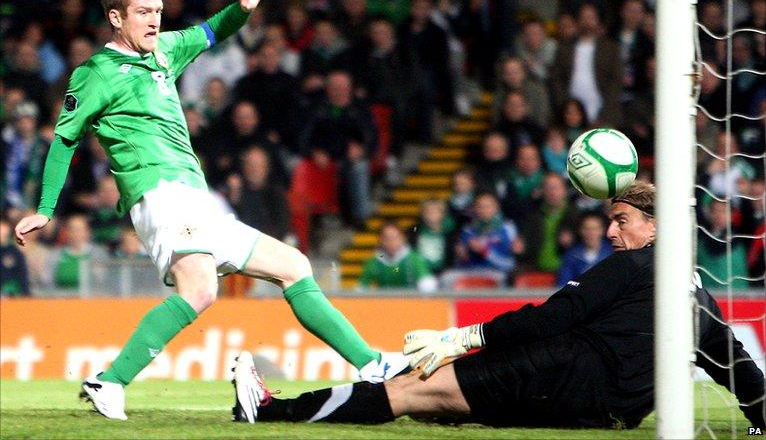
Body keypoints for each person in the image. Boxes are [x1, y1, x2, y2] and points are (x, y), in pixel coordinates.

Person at [14, 0, 405, 422]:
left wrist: (241, 9)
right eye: (143, 12)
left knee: (294, 267)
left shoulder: (164, 51)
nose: (154, 20)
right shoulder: (96, 73)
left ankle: (374, 365)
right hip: (157, 191)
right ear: (116, 18)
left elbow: (210, 31)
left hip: (194, 197)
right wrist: (44, 209)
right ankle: (111, 381)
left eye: (157, 10)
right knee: (199, 288)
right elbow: (64, 140)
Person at [229, 181, 765, 430]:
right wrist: (762, 418)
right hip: (611, 414)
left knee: (414, 390)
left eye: (621, 220)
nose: (610, 231)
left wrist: (464, 337)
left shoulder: (634, 265)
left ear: (655, 227)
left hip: (566, 374)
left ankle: (275, 409)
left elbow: (552, 318)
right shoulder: (694, 292)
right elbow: (732, 361)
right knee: (440, 404)